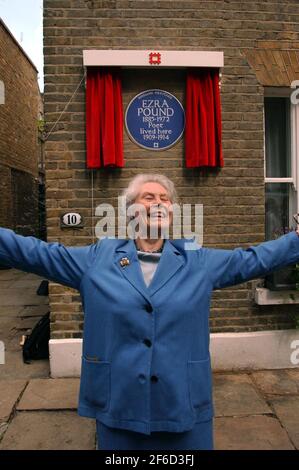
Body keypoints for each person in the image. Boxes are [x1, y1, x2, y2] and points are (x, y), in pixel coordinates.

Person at [0, 173, 299, 451]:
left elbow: (253, 259)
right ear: (130, 210)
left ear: (171, 212)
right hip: (119, 404)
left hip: (183, 403)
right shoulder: (97, 259)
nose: (158, 203)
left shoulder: (197, 260)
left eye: (165, 198)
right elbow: (36, 253)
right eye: (148, 197)